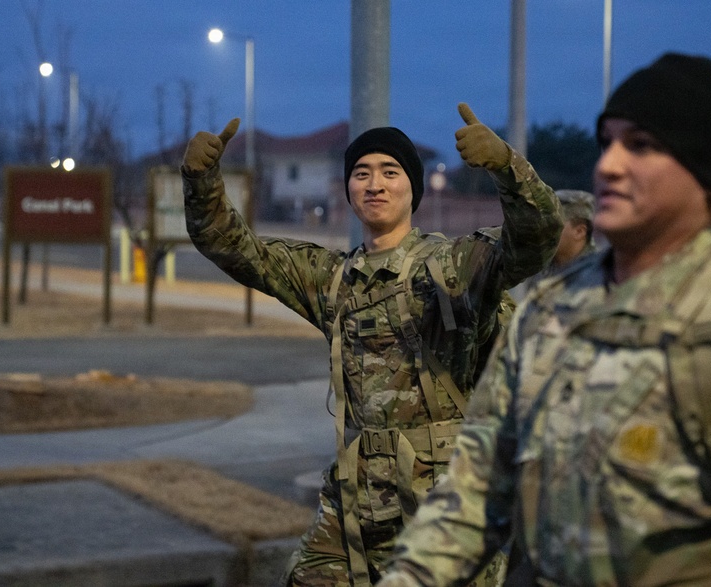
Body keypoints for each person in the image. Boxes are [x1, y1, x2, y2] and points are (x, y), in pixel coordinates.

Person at [376, 53, 711, 586]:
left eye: (641, 146)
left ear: (708, 173)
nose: (608, 165)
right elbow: (473, 493)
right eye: (607, 142)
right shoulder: (551, 311)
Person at [181, 103, 562, 586]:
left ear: (413, 188)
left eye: (390, 171)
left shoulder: (454, 267)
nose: (374, 183)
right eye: (361, 173)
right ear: (348, 189)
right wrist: (200, 182)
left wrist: (507, 165)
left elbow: (537, 239)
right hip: (355, 500)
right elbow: (235, 248)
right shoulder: (332, 278)